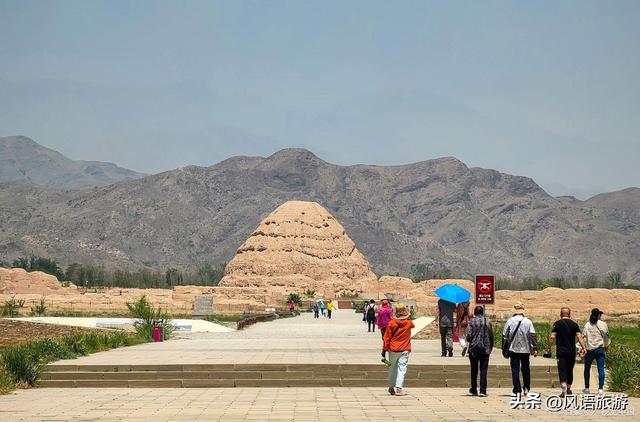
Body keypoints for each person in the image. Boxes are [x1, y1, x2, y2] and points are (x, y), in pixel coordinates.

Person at [546, 307, 587, 397]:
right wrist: (584, 347)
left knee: (562, 370)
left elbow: (552, 337)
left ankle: (563, 389)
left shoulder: (557, 324)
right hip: (572, 352)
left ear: (561, 314)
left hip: (561, 352)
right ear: (569, 314)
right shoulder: (574, 325)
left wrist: (548, 347)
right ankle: (568, 388)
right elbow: (579, 337)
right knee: (569, 370)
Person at [503, 301, 538, 395]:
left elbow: (505, 336)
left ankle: (517, 389)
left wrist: (504, 349)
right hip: (525, 349)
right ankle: (526, 387)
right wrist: (534, 348)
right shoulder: (528, 321)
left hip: (513, 349)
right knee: (526, 369)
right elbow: (532, 336)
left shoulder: (510, 321)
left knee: (515, 369)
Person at [382, 303, 415, 396]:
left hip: (393, 349)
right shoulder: (409, 323)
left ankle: (391, 386)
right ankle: (399, 388)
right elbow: (413, 325)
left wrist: (384, 349)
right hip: (405, 348)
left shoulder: (391, 323)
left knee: (392, 368)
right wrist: (408, 316)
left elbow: (387, 337)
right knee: (402, 368)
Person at [466, 305, 494, 397]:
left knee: (474, 369)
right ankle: (483, 390)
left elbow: (469, 336)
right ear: (482, 312)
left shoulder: (471, 321)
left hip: (474, 348)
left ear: (474, 313)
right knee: (484, 370)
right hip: (485, 348)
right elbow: (491, 335)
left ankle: (474, 389)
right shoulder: (488, 321)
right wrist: (490, 347)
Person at [583, 308, 610, 395]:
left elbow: (584, 337)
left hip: (589, 350)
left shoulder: (587, 324)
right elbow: (606, 337)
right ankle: (600, 389)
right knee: (601, 369)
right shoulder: (603, 324)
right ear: (598, 315)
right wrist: (606, 346)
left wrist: (581, 348)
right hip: (600, 349)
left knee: (587, 369)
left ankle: (587, 388)